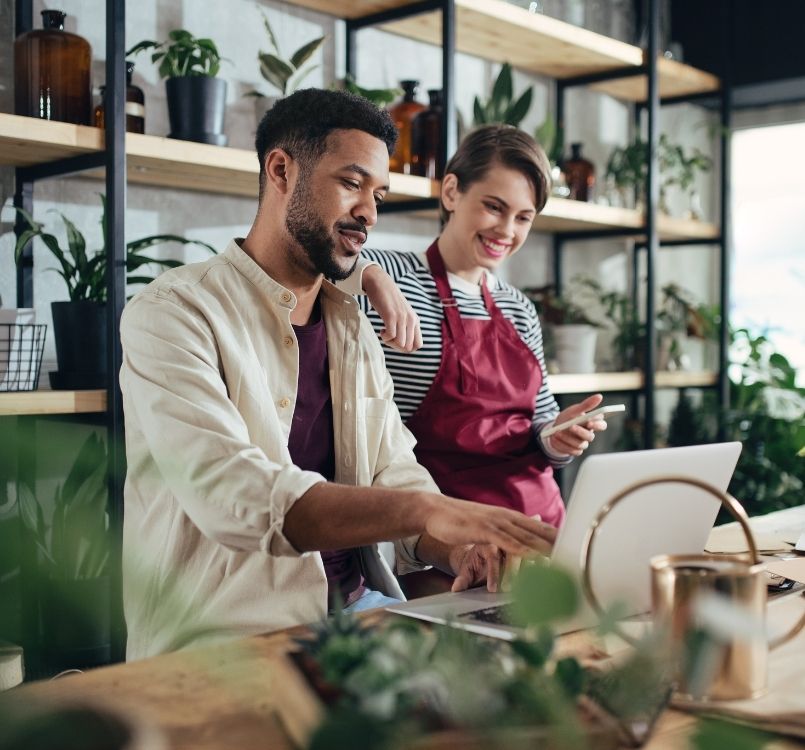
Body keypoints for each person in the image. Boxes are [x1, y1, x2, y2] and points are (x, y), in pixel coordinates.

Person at [119, 90, 555, 660]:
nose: (370, 213)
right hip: (226, 647)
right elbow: (233, 495)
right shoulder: (174, 313)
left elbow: (393, 470)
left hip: (359, 619)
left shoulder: (350, 324)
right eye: (352, 183)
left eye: (378, 194)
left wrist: (456, 548)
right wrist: (433, 510)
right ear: (281, 170)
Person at [355, 125, 609, 529]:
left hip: (540, 523)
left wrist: (558, 436)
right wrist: (367, 273)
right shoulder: (391, 276)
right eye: (494, 207)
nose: (507, 231)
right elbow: (314, 263)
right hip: (444, 532)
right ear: (452, 191)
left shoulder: (519, 307)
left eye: (523, 217)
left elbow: (539, 427)